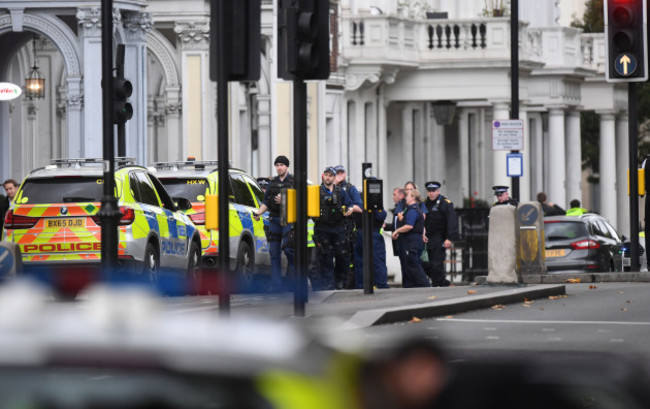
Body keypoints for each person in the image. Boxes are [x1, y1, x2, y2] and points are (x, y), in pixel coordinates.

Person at [253, 156, 294, 292]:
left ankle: (292, 282)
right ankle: (277, 285)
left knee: (289, 250)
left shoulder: (293, 182)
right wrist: (258, 213)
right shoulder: (271, 184)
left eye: (282, 165)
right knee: (274, 253)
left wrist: (285, 199)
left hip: (288, 220)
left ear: (287, 166)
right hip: (275, 220)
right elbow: (265, 202)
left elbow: (301, 202)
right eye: (277, 165)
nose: (279, 167)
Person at [313, 167, 354, 290]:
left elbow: (350, 205)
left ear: (334, 177)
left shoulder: (340, 191)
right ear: (323, 176)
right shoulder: (316, 191)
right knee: (325, 257)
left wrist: (349, 210)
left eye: (330, 175)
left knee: (342, 256)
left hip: (338, 227)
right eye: (326, 175)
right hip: (322, 228)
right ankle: (328, 284)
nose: (328, 177)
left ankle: (340, 281)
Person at [353, 179, 388, 289]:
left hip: (359, 234)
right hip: (372, 234)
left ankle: (361, 286)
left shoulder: (356, 201)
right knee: (377, 262)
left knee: (360, 263)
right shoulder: (373, 201)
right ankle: (381, 286)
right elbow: (381, 216)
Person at [422, 181, 459, 287]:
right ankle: (444, 283)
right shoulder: (425, 203)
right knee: (425, 265)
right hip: (427, 239)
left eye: (433, 191)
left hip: (439, 238)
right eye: (429, 191)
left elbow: (452, 221)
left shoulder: (445, 203)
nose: (431, 193)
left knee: (436, 265)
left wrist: (449, 238)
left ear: (438, 191)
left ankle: (438, 286)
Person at [391, 189, 430, 288]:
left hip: (412, 242)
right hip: (413, 241)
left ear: (413, 197)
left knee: (413, 265)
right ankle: (416, 287)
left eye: (408, 195)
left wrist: (397, 231)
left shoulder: (412, 210)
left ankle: (425, 286)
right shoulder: (414, 209)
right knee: (411, 266)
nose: (406, 197)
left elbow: (409, 226)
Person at [334, 165, 363, 289]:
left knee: (347, 258)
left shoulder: (350, 188)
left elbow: (360, 207)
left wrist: (349, 209)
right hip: (332, 228)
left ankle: (346, 286)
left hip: (347, 228)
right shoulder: (329, 188)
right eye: (337, 173)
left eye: (341, 172)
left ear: (345, 174)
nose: (339, 175)